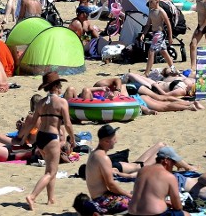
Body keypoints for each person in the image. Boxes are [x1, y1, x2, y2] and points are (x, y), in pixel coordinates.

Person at [20, 72, 74, 211]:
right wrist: (72, 138)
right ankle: (32, 196)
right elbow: (67, 124)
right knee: (50, 172)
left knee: (51, 169)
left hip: (41, 138)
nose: (61, 87)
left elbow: (32, 123)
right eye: (60, 85)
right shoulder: (62, 102)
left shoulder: (41, 102)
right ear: (56, 86)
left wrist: (24, 137)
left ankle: (51, 198)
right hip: (51, 138)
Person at [82, 124, 131, 215]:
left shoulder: (94, 154)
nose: (116, 141)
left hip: (99, 198)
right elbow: (111, 185)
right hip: (103, 201)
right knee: (137, 202)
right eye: (114, 139)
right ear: (106, 141)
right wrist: (128, 195)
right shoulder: (103, 158)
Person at [128, 146, 190, 216]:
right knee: (186, 214)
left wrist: (163, 202)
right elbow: (178, 207)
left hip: (132, 213)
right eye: (173, 162)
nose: (174, 165)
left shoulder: (142, 170)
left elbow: (146, 196)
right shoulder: (169, 176)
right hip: (154, 214)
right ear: (166, 160)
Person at [143, 0, 174, 73]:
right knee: (163, 52)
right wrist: (143, 33)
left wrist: (170, 37)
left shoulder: (161, 11)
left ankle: (146, 73)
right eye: (149, 1)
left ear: (157, 2)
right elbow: (148, 24)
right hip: (154, 33)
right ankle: (173, 69)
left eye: (151, 2)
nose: (149, 3)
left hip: (159, 34)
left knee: (151, 51)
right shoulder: (151, 11)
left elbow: (168, 24)